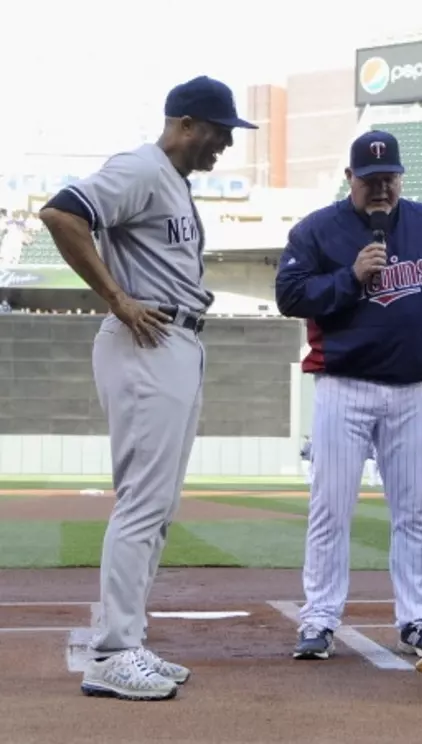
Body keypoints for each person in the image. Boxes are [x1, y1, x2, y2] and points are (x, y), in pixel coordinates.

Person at [37, 75, 257, 701]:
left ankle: (127, 637)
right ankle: (112, 654)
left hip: (174, 340)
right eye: (218, 131)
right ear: (186, 123)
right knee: (141, 504)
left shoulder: (172, 184)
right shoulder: (140, 167)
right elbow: (61, 213)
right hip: (147, 339)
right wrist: (118, 298)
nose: (224, 145)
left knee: (155, 508)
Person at [275, 130, 422, 661]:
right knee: (330, 508)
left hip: (407, 390)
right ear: (350, 178)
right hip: (342, 387)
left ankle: (417, 617)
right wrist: (349, 278)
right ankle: (320, 618)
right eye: (370, 180)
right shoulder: (317, 231)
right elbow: (289, 294)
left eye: (389, 179)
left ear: (401, 178)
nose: (381, 190)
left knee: (414, 512)